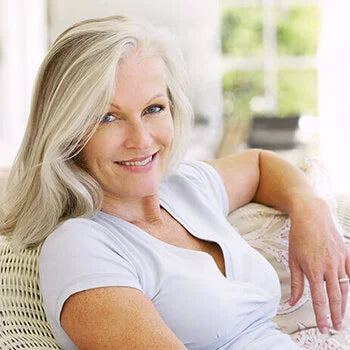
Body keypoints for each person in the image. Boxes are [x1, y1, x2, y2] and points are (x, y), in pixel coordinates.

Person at [0, 15, 349, 350]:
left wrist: (310, 208)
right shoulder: (80, 248)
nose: (141, 139)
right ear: (68, 133)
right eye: (108, 117)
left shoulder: (183, 187)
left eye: (153, 109)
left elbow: (259, 165)